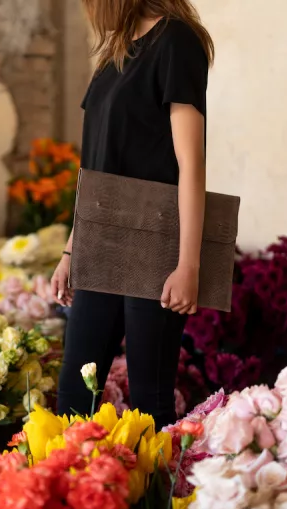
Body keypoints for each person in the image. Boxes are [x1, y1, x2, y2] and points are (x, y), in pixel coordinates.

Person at [51, 0, 214, 430]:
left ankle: (158, 479)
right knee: (73, 400)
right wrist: (71, 251)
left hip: (154, 243)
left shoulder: (176, 41)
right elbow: (95, 170)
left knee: (149, 404)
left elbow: (191, 163)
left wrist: (188, 264)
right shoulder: (114, 50)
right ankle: (75, 475)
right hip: (100, 243)